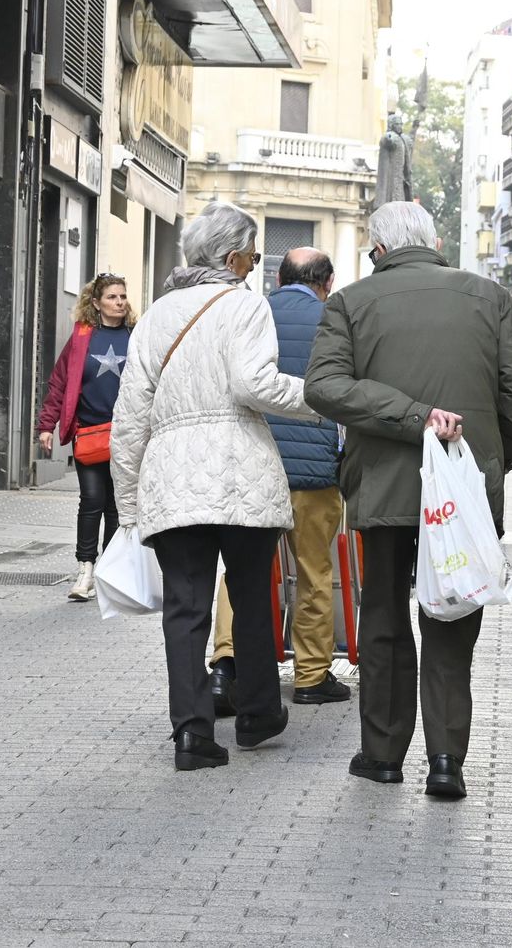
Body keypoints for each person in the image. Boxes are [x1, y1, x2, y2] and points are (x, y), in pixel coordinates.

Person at [306, 201, 512, 801]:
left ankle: (383, 756)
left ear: (377, 251)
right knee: (453, 616)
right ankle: (445, 761)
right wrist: (492, 456)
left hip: (385, 488)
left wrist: (412, 420)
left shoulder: (350, 303)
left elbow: (325, 386)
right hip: (463, 493)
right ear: (435, 241)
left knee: (383, 615)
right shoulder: (488, 298)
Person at [110, 201, 318, 771]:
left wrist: (129, 504)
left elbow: (131, 415)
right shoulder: (244, 306)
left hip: (172, 476)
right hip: (239, 472)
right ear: (231, 257)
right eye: (252, 254)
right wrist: (317, 400)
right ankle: (256, 713)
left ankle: (192, 732)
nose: (255, 265)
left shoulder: (154, 315)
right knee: (251, 592)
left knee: (185, 605)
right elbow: (254, 384)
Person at [206, 247, 351, 713]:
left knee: (241, 571)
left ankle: (225, 665)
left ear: (278, 276)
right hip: (314, 473)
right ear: (326, 281)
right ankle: (310, 676)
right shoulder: (334, 322)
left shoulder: (252, 314)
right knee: (313, 572)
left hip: (253, 467)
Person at [37, 273, 137, 601]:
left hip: (126, 436)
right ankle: (85, 569)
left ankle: (107, 571)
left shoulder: (136, 336)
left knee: (114, 506)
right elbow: (59, 383)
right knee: (92, 499)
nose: (119, 302)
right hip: (89, 434)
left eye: (122, 297)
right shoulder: (82, 337)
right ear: (96, 303)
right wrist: (46, 426)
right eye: (112, 297)